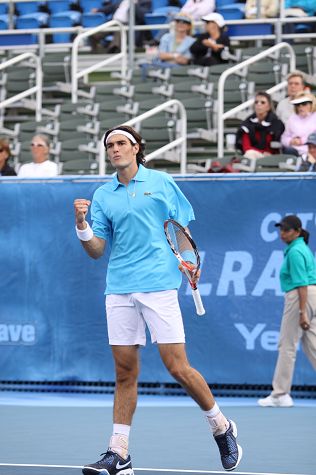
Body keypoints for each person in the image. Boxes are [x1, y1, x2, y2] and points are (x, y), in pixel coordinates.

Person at [74, 125, 243, 475]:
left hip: (158, 285)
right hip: (119, 288)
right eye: (110, 145)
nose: (115, 149)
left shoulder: (162, 182)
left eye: (121, 143)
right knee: (124, 373)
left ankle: (221, 427)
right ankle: (118, 453)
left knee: (177, 367)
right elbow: (97, 251)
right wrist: (81, 225)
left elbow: (181, 232)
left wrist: (191, 262)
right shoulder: (103, 195)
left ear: (137, 148)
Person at [258, 215, 316, 407]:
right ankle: (280, 393)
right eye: (281, 229)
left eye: (287, 230)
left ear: (297, 232)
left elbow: (301, 283)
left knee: (287, 346)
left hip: (300, 297)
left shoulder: (295, 252)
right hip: (311, 296)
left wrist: (301, 312)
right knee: (313, 346)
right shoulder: (301, 249)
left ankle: (280, 394)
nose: (282, 233)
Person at [235, 91, 285, 160]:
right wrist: (262, 152)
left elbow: (277, 147)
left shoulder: (276, 124)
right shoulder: (247, 124)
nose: (258, 104)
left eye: (262, 102)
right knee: (249, 154)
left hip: (272, 157)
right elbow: (246, 147)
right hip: (252, 155)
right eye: (256, 102)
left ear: (269, 106)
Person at [281, 91, 316, 157]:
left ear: (312, 104)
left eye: (304, 104)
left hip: (311, 151)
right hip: (294, 151)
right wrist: (291, 141)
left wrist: (302, 141)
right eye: (298, 104)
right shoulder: (292, 118)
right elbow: (284, 138)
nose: (300, 107)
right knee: (288, 151)